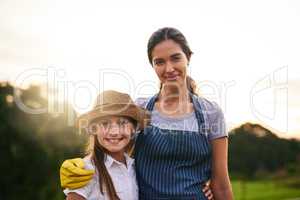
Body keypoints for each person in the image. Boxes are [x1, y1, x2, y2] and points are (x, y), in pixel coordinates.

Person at [60, 27, 233, 200]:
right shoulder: (140, 110)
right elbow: (112, 147)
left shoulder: (210, 113)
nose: (169, 68)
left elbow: (221, 185)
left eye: (175, 58)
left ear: (188, 57)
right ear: (152, 65)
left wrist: (209, 187)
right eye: (159, 62)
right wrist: (80, 165)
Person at [63, 90, 150, 200]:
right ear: (94, 129)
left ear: (133, 129)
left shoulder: (134, 166)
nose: (114, 132)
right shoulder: (86, 169)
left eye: (122, 123)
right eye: (105, 123)